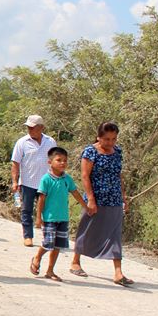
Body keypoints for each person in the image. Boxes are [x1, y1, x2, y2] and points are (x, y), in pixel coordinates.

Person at [69, 122, 132, 286]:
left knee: (115, 233)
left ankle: (118, 272)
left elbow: (118, 175)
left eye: (113, 139)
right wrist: (90, 199)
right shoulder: (90, 152)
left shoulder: (117, 151)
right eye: (106, 139)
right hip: (96, 197)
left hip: (114, 198)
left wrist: (123, 196)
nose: (110, 142)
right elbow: (85, 176)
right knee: (87, 229)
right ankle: (75, 261)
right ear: (99, 137)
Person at [31, 147, 86, 281]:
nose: (62, 163)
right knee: (48, 242)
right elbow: (41, 199)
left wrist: (86, 206)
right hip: (50, 217)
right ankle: (37, 257)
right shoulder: (46, 179)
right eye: (58, 160)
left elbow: (75, 193)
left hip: (63, 217)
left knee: (57, 246)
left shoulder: (67, 179)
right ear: (50, 162)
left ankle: (50, 270)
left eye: (65, 160)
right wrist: (39, 217)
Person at [11, 115, 57, 247]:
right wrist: (15, 181)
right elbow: (15, 163)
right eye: (28, 127)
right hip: (28, 182)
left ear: (41, 128)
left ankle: (48, 236)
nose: (30, 130)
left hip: (47, 183)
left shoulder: (50, 142)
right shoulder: (22, 142)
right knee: (27, 210)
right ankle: (28, 236)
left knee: (48, 210)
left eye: (33, 127)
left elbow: (55, 160)